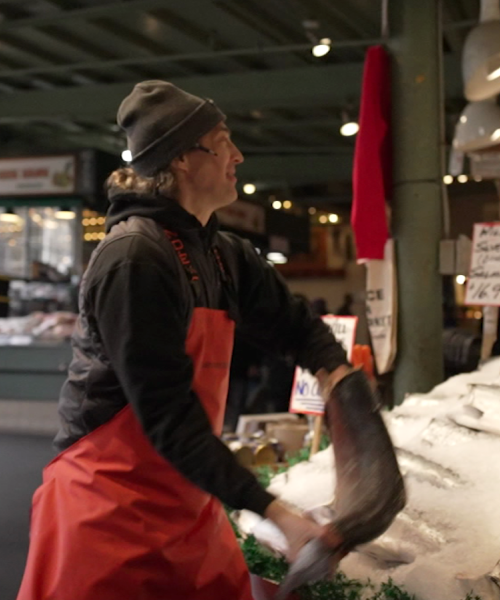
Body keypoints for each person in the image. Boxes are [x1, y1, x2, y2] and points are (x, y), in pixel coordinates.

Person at [17, 81, 354, 600]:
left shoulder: (224, 254)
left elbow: (296, 326)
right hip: (107, 509)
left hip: (188, 503)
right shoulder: (134, 259)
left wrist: (338, 377)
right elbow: (167, 414)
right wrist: (277, 513)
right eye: (223, 141)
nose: (238, 155)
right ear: (179, 159)